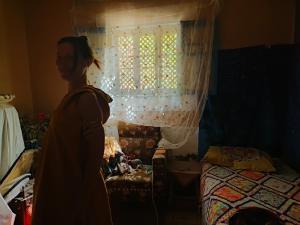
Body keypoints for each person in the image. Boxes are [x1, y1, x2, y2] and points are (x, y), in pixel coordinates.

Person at [31, 36, 113, 225]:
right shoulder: (70, 97)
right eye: (59, 57)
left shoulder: (86, 99)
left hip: (76, 186)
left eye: (69, 57)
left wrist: (84, 196)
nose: (61, 63)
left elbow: (95, 151)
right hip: (62, 181)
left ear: (86, 61)